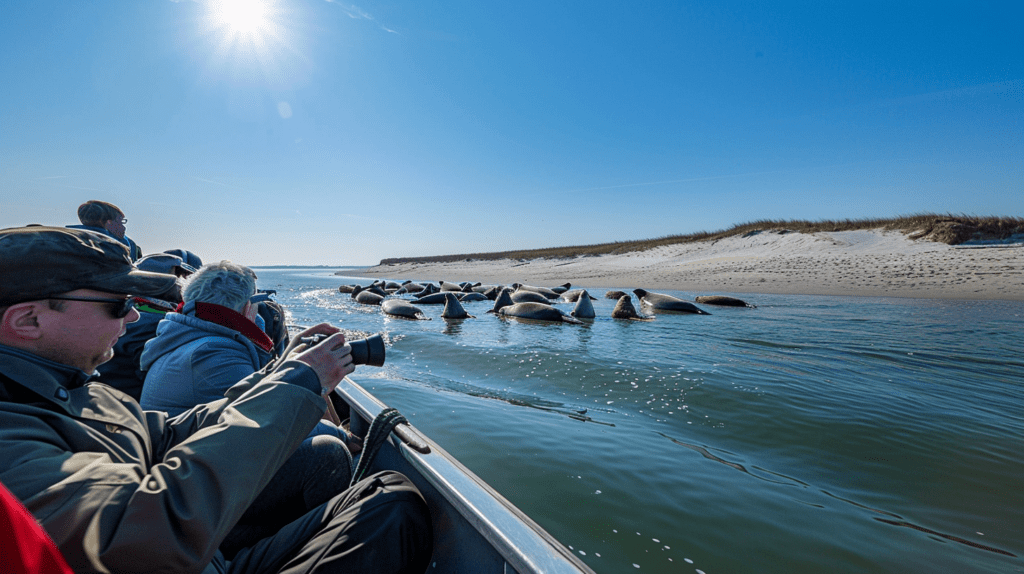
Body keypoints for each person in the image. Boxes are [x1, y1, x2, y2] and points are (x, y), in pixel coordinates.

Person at [0, 226, 432, 574]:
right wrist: (295, 387)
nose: (134, 317)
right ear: (29, 319)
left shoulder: (77, 389)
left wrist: (287, 374)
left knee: (387, 497)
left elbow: (170, 434)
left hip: (201, 546)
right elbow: (141, 537)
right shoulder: (10, 433)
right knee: (391, 507)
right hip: (177, 546)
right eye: (117, 305)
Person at [94, 253, 193, 400]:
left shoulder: (122, 311)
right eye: (179, 277)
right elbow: (161, 384)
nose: (183, 285)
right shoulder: (156, 324)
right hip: (128, 409)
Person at [67, 200, 142, 261]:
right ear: (109, 222)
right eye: (121, 222)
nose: (124, 227)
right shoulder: (117, 246)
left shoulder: (67, 237)